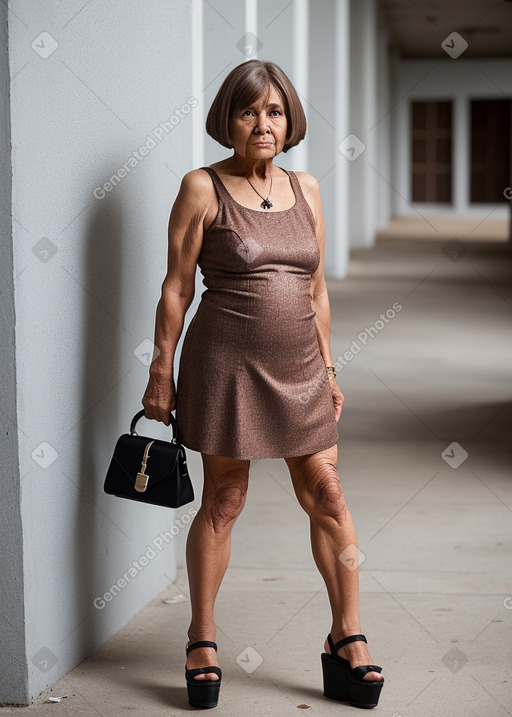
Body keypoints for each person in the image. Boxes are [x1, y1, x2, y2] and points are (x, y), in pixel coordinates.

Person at [142, 59, 384, 710]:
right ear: (230, 118)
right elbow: (176, 286)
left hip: (302, 367)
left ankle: (347, 634)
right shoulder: (202, 187)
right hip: (227, 366)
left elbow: (316, 288)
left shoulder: (307, 189)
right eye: (249, 111)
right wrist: (160, 368)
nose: (262, 123)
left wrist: (330, 369)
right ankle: (203, 637)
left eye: (274, 111)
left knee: (329, 494)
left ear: (289, 119)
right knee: (225, 498)